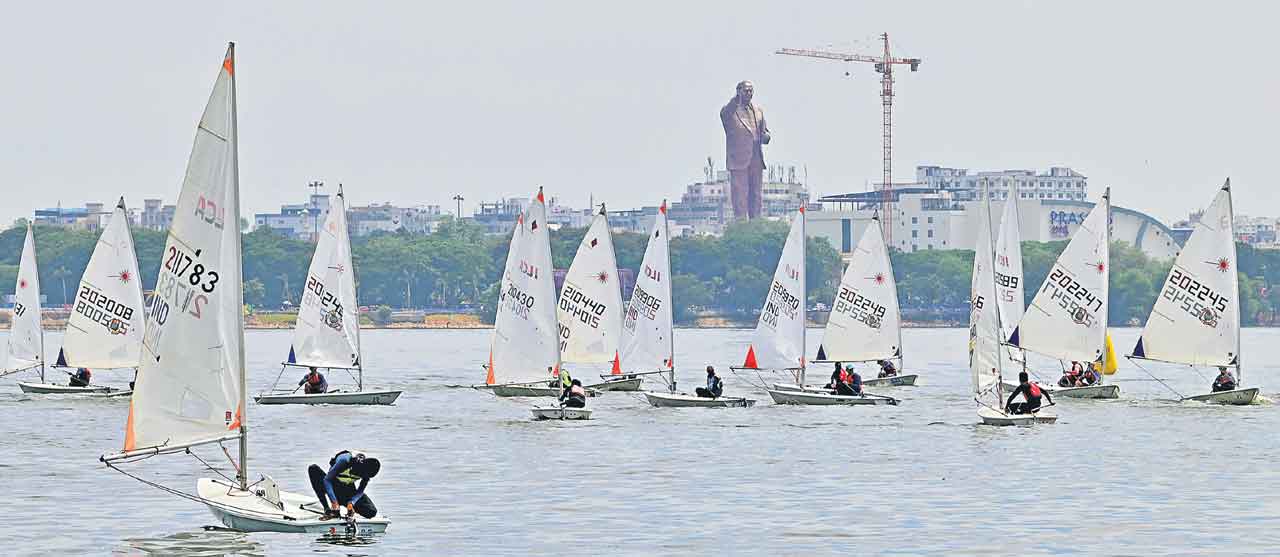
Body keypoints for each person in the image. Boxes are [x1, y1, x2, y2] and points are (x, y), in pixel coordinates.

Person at [719, 80, 771, 220]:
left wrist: (766, 136)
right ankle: (741, 226)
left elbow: (765, 131)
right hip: (738, 159)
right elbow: (726, 112)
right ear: (738, 91)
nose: (749, 93)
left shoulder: (758, 111)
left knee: (756, 195)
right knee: (740, 196)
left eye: (751, 90)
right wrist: (737, 99)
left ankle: (756, 225)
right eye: (745, 90)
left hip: (756, 156)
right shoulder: (730, 111)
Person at [309, 450, 380, 520]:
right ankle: (327, 509)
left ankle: (344, 507)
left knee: (371, 512)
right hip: (333, 486)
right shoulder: (345, 461)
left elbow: (360, 491)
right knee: (313, 468)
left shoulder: (368, 472)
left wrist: (351, 502)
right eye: (361, 474)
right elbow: (327, 480)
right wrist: (334, 502)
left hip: (347, 491)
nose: (362, 476)